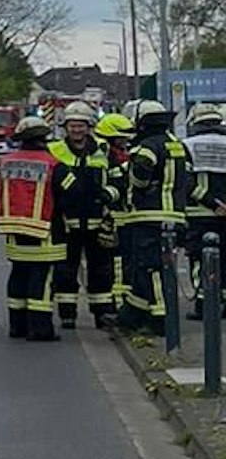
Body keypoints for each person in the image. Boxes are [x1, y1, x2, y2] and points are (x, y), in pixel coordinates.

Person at [117, 100, 191, 337]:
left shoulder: (146, 147)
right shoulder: (177, 145)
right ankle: (132, 316)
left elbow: (140, 179)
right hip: (176, 216)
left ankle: (160, 318)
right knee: (157, 266)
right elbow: (187, 179)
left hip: (148, 217)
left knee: (151, 268)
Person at [0, 116, 65, 341]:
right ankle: (41, 329)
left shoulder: (5, 163)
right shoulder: (53, 164)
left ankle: (17, 326)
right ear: (43, 138)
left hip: (14, 230)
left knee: (18, 275)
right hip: (45, 229)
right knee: (41, 279)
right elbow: (70, 194)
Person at [49, 101, 115, 328]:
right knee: (65, 270)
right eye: (72, 126)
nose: (76, 130)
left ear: (89, 127)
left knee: (102, 270)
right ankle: (67, 313)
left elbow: (118, 179)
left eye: (81, 125)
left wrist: (109, 195)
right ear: (65, 127)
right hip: (66, 223)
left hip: (99, 221)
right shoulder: (54, 150)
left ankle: (103, 313)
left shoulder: (103, 151)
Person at [183, 102, 226, 320]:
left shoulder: (187, 146)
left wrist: (212, 203)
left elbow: (186, 183)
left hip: (199, 213)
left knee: (199, 259)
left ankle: (203, 304)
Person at [98, 112, 135, 326]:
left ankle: (119, 306)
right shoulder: (107, 154)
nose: (126, 141)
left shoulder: (116, 153)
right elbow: (115, 184)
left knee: (120, 265)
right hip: (114, 218)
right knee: (117, 266)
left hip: (122, 217)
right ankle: (118, 307)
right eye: (122, 137)